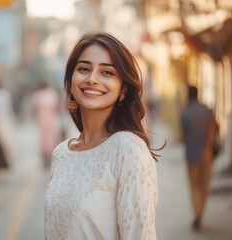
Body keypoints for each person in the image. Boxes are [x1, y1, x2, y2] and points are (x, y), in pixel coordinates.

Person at [45, 32, 162, 239]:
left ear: (123, 89)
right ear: (71, 80)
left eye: (107, 72)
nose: (92, 79)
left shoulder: (128, 149)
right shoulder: (61, 153)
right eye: (83, 69)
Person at [180, 85, 216, 231]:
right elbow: (213, 130)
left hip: (191, 154)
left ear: (188, 96)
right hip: (206, 152)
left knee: (194, 185)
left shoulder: (185, 113)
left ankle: (197, 214)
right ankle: (200, 212)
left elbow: (184, 134)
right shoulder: (207, 111)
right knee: (204, 184)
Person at [32, 81, 62, 167]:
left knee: (51, 137)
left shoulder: (52, 94)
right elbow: (35, 108)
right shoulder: (37, 95)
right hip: (42, 120)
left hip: (51, 119)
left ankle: (50, 156)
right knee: (43, 139)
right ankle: (44, 157)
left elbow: (56, 107)